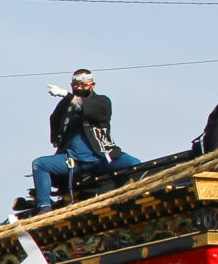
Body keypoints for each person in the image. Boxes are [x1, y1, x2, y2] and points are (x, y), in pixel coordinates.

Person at [31, 69, 140, 210]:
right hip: (74, 161)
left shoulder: (102, 102)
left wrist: (66, 95)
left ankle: (127, 196)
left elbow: (87, 108)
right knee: (40, 164)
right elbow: (55, 120)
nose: (79, 88)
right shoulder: (65, 106)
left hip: (102, 157)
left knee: (134, 164)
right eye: (75, 85)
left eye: (83, 85)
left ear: (92, 85)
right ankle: (44, 206)